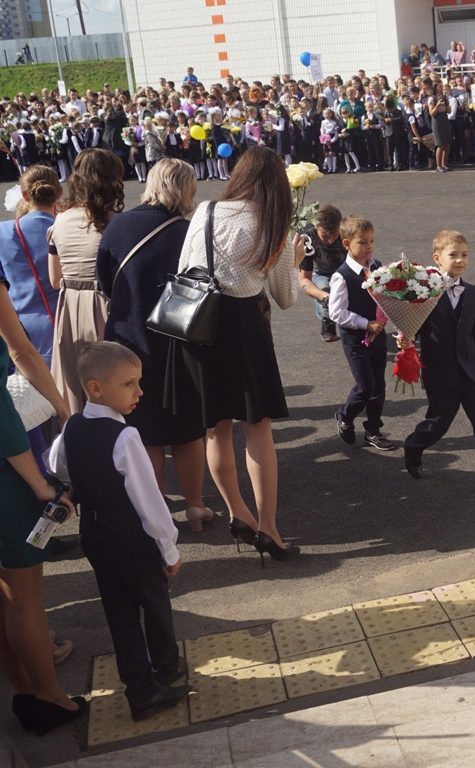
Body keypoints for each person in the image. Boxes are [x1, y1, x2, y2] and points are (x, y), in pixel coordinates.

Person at [173, 146, 305, 564]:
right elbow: (284, 298)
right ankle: (269, 526)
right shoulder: (273, 224)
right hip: (245, 329)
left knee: (216, 428)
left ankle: (237, 512)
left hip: (200, 325)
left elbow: (184, 267)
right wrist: (296, 262)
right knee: (257, 428)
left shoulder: (207, 210)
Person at [47, 342, 192, 722]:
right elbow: (149, 501)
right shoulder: (125, 438)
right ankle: (165, 669)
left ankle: (140, 690)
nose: (139, 392)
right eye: (129, 384)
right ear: (96, 388)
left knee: (120, 614)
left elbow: (56, 465)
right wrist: (169, 549)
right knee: (155, 603)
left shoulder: (72, 428)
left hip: (95, 536)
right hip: (132, 540)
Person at [97, 159, 212, 533]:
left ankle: (156, 509)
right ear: (185, 189)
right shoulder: (188, 230)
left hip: (128, 338)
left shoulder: (118, 225)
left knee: (143, 431)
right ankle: (195, 507)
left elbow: (104, 282)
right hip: (178, 337)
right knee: (186, 428)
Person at [0, 272, 84, 737]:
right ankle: (48, 695)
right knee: (24, 598)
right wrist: (37, 481)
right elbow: (22, 353)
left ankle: (23, 689)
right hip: (6, 474)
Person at [400, 230, 475, 490]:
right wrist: (405, 338)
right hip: (441, 372)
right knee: (438, 423)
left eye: (464, 255)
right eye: (453, 255)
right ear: (437, 258)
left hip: (471, 371)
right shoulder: (425, 293)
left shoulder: (473, 293)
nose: (460, 260)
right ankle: (414, 445)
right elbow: (414, 327)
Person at [48, 148, 124, 413]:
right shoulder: (116, 223)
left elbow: (55, 279)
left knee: (75, 384)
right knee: (110, 383)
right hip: (103, 304)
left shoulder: (59, 221)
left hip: (68, 306)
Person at [329, 215, 399, 453]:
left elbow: (385, 298)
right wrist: (364, 323)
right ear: (347, 244)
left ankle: (373, 430)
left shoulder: (377, 267)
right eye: (363, 242)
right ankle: (345, 415)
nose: (369, 247)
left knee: (379, 386)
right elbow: (336, 312)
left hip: (378, 337)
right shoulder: (342, 276)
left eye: (371, 241)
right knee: (365, 386)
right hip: (355, 340)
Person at [0, 167, 62, 364]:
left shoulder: (3, 231)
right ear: (58, 193)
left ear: (25, 195)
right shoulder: (67, 227)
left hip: (23, 328)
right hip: (70, 321)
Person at [297, 204, 345, 343]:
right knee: (324, 286)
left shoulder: (348, 232)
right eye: (325, 236)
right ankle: (327, 321)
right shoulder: (307, 238)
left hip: (345, 271)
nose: (330, 240)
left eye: (334, 235)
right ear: (316, 228)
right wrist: (325, 297)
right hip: (320, 272)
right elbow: (304, 280)